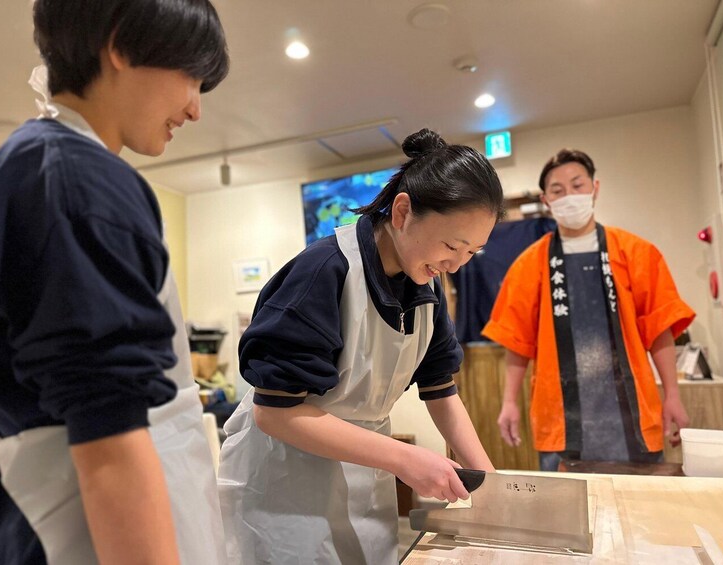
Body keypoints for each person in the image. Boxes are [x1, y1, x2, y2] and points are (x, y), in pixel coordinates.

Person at [0, 1, 229, 564]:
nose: (194, 109)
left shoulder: (42, 167)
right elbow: (109, 446)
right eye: (191, 77)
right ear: (120, 44)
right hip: (75, 533)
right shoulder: (75, 181)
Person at [218, 128, 504, 564]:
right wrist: (405, 458)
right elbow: (275, 412)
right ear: (404, 212)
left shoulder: (426, 283)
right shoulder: (324, 271)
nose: (456, 263)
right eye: (451, 245)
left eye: (472, 252)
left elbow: (440, 390)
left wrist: (489, 484)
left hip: (362, 477)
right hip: (284, 485)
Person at [482, 149, 695, 472]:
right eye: (557, 190)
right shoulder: (528, 265)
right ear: (546, 200)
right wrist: (509, 402)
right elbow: (517, 341)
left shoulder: (637, 253)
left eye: (577, 185)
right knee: (567, 517)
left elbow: (659, 329)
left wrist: (673, 396)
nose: (569, 195)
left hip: (633, 414)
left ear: (595, 188)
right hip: (561, 419)